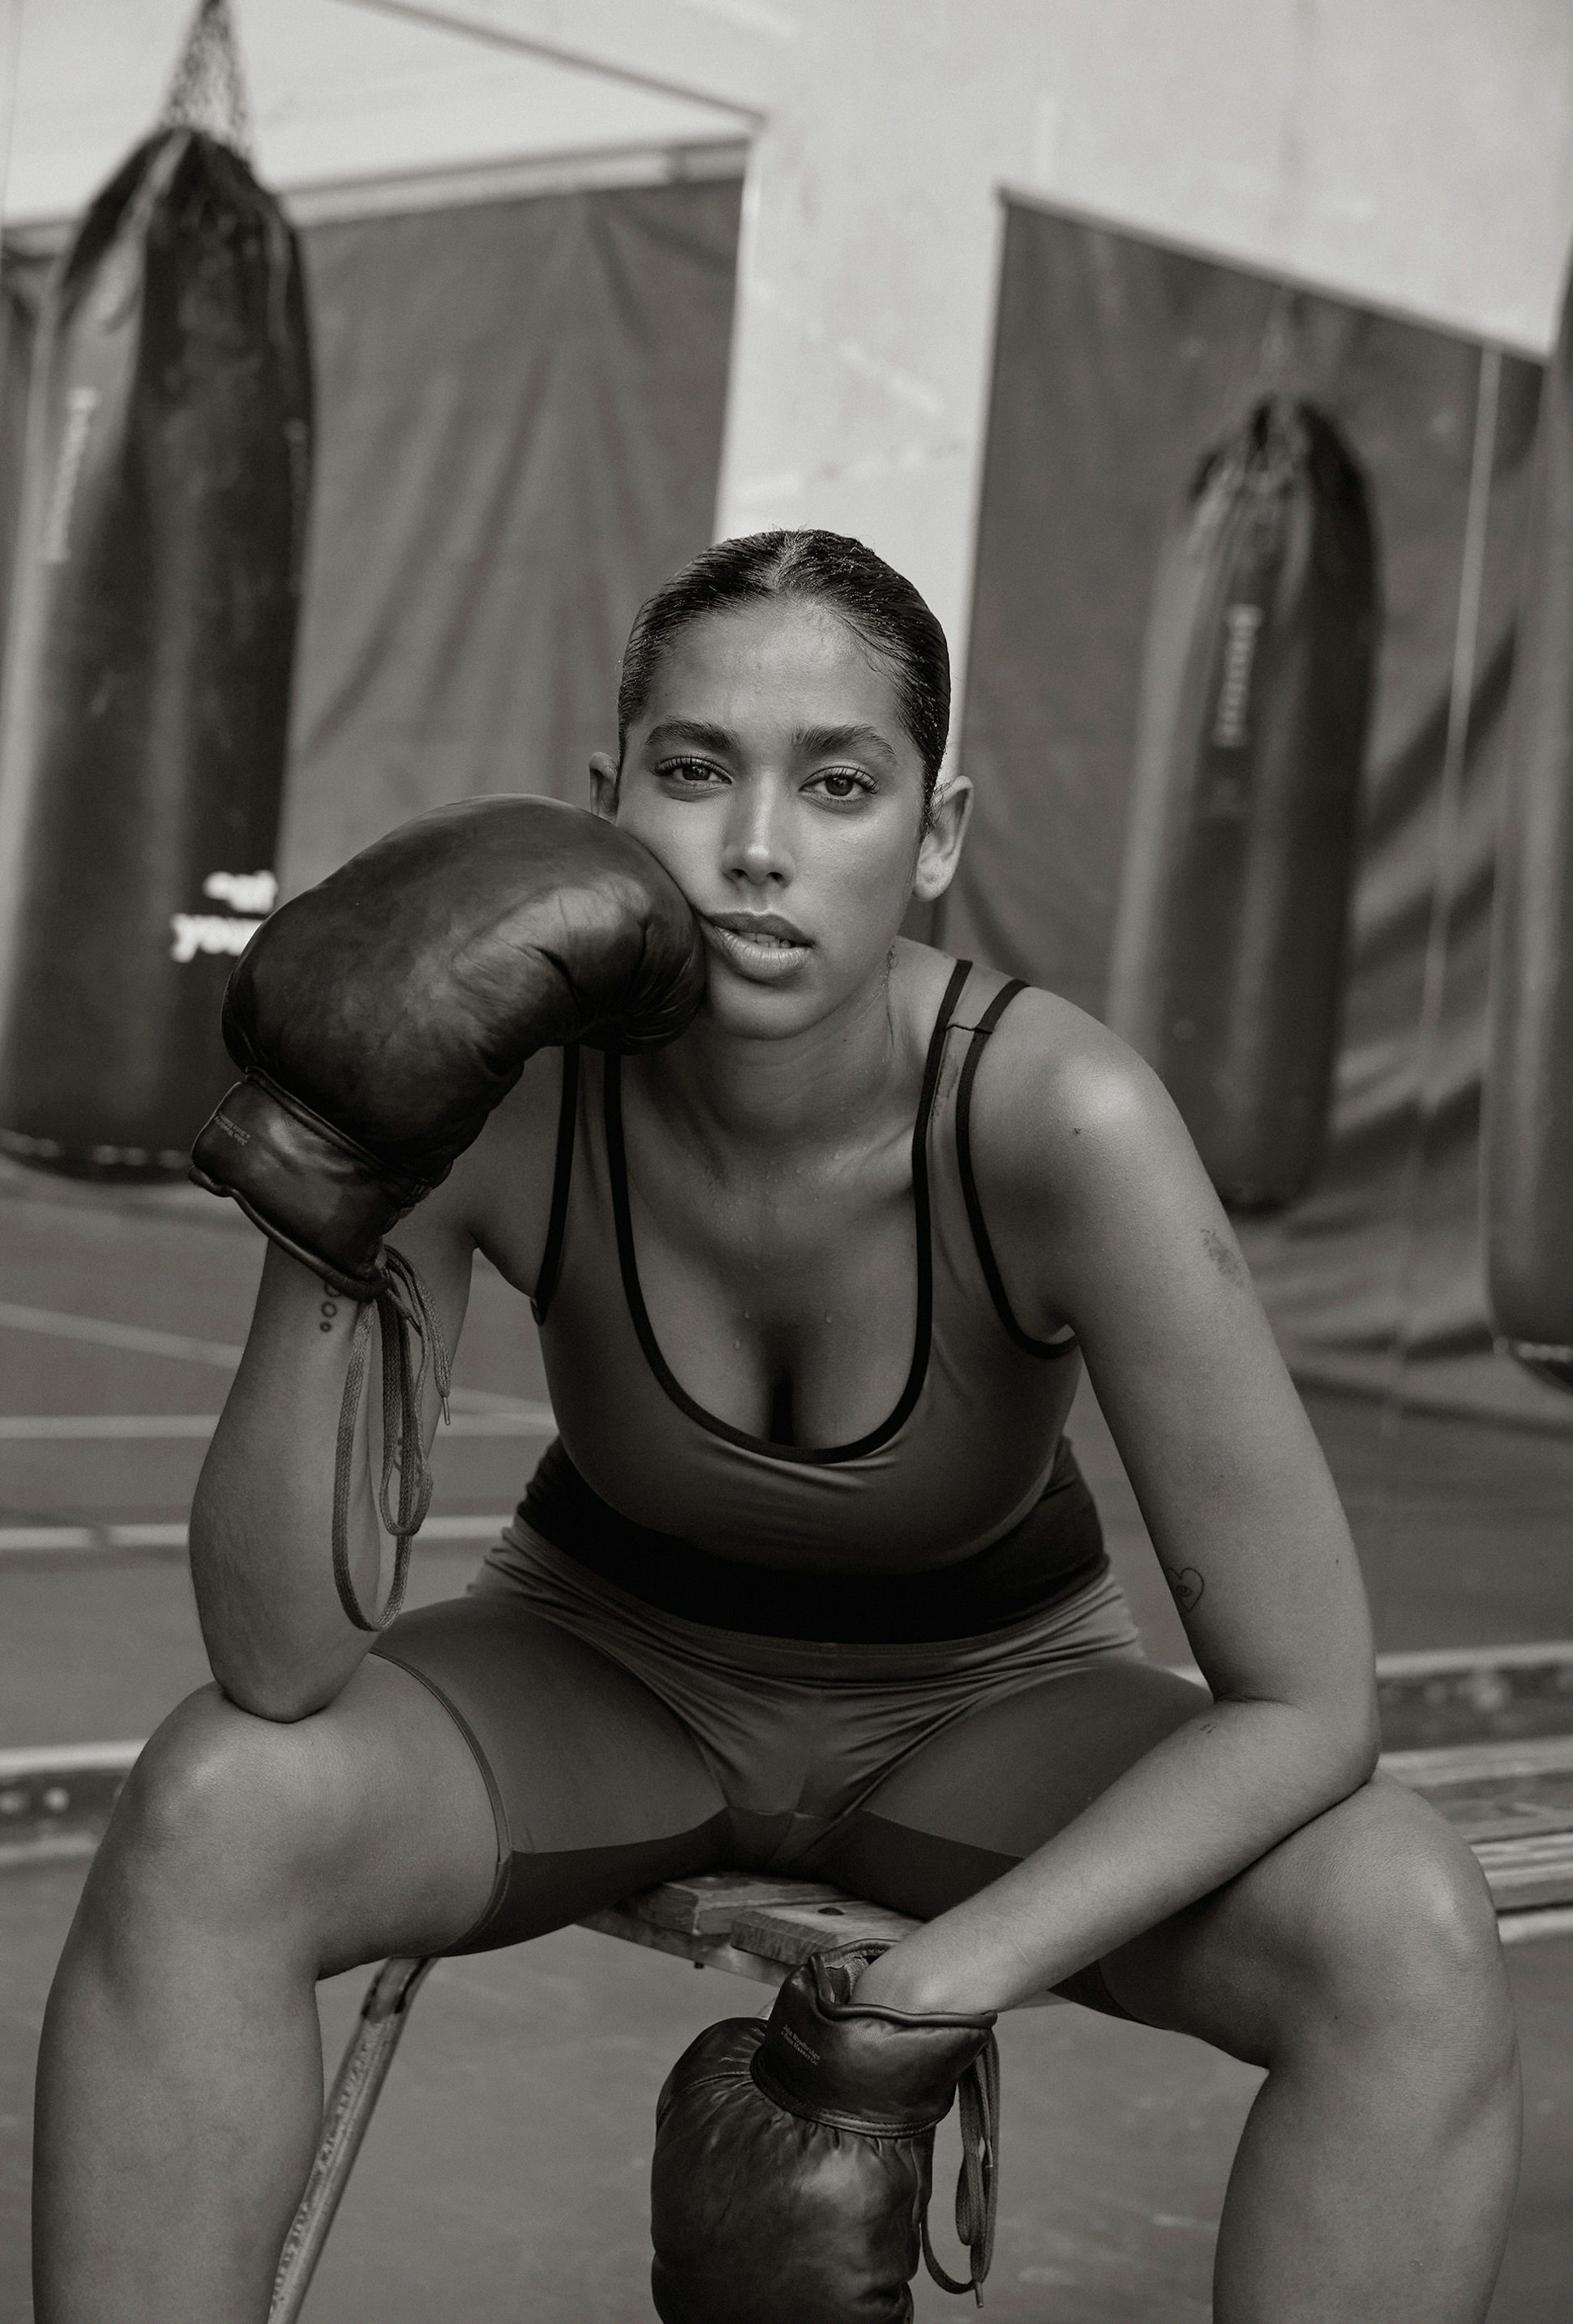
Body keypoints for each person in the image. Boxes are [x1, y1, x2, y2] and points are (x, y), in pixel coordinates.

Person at [34, 530, 1519, 2323]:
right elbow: (276, 1658)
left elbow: (1309, 1702)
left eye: (836, 782)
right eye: (691, 769)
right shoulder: (497, 1085)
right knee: (211, 1806)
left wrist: (930, 1986)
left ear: (938, 832)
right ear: (605, 801)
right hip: (600, 1675)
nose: (755, 843)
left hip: (988, 1707)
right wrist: (327, 1175)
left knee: (1406, 1924)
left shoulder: (1061, 1117)